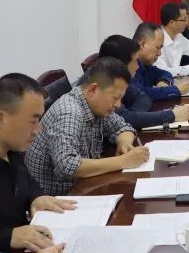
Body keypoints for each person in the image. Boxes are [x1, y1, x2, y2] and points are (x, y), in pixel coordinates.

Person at [0, 74, 77, 253]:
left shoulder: (11, 149)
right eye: (33, 121)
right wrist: (8, 237)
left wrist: (36, 197)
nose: (37, 130)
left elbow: (27, 181)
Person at [25, 57, 149, 196]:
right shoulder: (70, 112)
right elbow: (67, 166)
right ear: (93, 90)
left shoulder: (97, 105)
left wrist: (124, 144)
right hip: (56, 198)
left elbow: (123, 127)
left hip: (84, 186)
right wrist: (123, 161)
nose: (118, 104)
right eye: (115, 97)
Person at [98, 34, 189, 129]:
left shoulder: (119, 79)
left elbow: (143, 98)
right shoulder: (103, 84)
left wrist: (135, 116)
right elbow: (125, 119)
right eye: (135, 61)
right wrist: (172, 115)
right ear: (121, 64)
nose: (137, 67)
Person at [132, 21, 189, 101]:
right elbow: (141, 94)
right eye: (157, 48)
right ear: (143, 44)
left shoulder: (145, 64)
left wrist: (163, 81)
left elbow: (165, 73)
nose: (159, 53)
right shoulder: (128, 65)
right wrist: (176, 90)